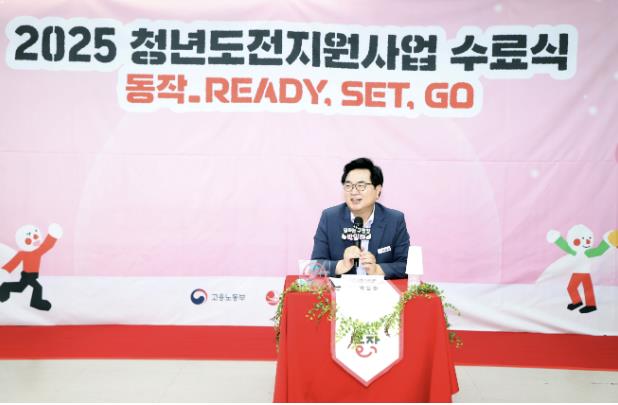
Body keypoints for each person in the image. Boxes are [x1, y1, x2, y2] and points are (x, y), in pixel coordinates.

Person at [310, 157, 410, 279]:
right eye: (348, 185)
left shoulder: (394, 220)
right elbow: (314, 266)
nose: (353, 192)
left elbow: (406, 265)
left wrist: (378, 269)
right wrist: (340, 265)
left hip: (378, 289)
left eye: (361, 185)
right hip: (341, 289)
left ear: (377, 191)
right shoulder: (330, 217)